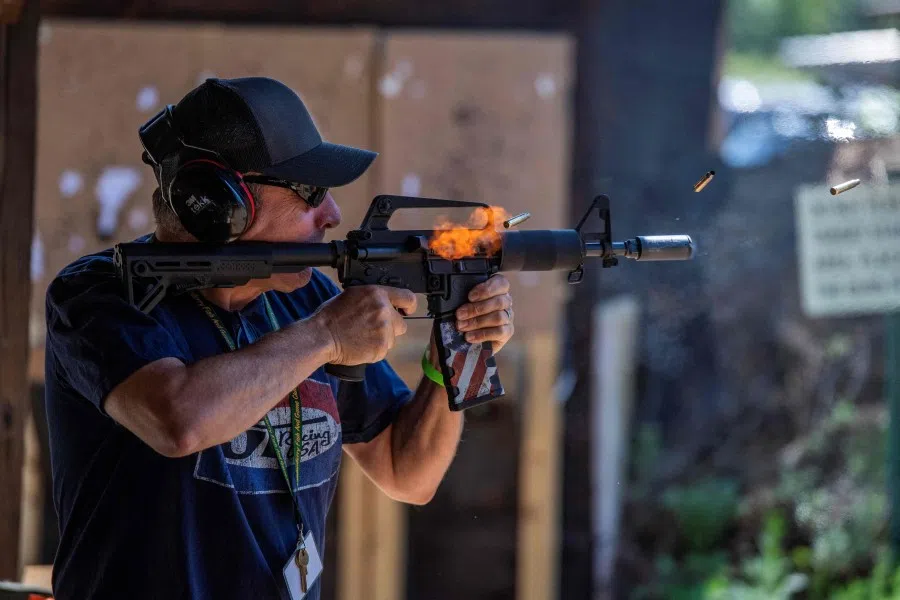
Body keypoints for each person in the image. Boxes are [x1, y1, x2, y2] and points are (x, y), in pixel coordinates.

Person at [43, 76, 515, 600]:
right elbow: (177, 421)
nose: (331, 214)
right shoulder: (96, 296)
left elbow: (408, 471)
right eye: (309, 192)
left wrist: (458, 342)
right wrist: (326, 336)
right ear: (220, 202)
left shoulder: (306, 297)